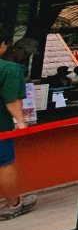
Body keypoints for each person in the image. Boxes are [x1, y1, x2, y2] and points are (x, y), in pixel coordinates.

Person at [1, 34, 37, 220]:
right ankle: (12, 203)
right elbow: (12, 100)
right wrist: (22, 123)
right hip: (1, 127)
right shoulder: (8, 69)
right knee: (4, 164)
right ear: (4, 46)